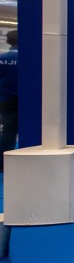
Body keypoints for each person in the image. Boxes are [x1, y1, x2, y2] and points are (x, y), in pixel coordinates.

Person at [0, 29, 17, 170]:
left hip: (6, 99)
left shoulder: (3, 58)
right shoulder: (31, 58)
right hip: (29, 100)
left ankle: (3, 162)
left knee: (8, 130)